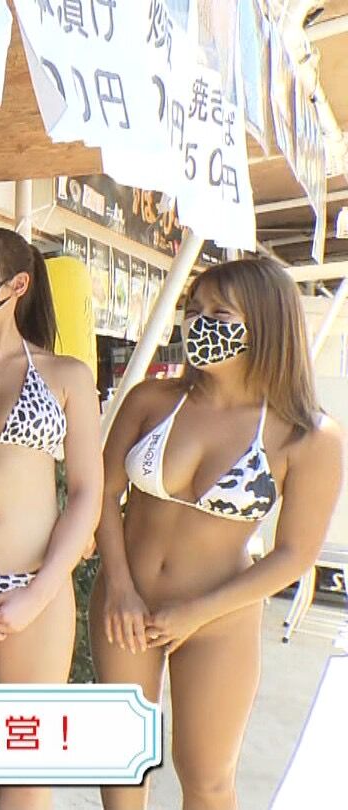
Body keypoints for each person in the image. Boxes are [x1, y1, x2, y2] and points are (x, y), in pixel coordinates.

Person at [92, 259, 342, 810]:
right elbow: (102, 496)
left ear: (266, 322)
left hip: (220, 617)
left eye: (219, 313)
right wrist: (119, 587)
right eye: (194, 309)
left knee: (206, 778)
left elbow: (295, 554)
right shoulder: (152, 400)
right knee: (121, 766)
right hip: (125, 603)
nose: (198, 322)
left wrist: (197, 612)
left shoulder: (309, 435)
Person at [0, 228, 102, 810]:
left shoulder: (68, 376)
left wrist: (41, 590)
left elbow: (86, 494)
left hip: (37, 584)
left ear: (17, 283)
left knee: (27, 770)